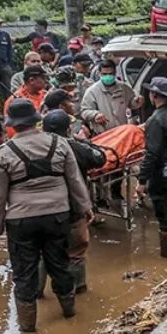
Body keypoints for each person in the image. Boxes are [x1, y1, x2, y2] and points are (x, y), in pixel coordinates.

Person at [0, 99, 93, 332]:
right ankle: (69, 312)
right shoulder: (59, 143)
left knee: (24, 271)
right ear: (36, 121)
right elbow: (75, 181)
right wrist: (85, 208)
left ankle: (27, 327)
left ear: (13, 125)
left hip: (21, 220)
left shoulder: (4, 153)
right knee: (60, 263)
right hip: (57, 215)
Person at [41, 109, 104, 295]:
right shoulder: (74, 147)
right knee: (76, 252)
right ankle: (78, 291)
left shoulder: (31, 147)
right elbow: (100, 158)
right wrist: (83, 140)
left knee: (43, 252)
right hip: (73, 208)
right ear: (68, 129)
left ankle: (37, 294)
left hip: (42, 210)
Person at [135, 78, 167, 258]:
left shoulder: (156, 120)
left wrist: (141, 180)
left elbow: (151, 154)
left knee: (163, 214)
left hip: (162, 173)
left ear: (154, 95)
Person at [80, 59, 140, 136]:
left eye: (110, 74)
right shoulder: (92, 91)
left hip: (121, 132)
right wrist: (95, 115)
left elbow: (131, 103)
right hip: (103, 134)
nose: (108, 76)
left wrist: (136, 102)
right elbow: (84, 111)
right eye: (104, 74)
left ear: (115, 73)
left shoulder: (124, 88)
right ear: (99, 73)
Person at [5, 66, 49, 138]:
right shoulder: (14, 102)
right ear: (31, 80)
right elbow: (12, 131)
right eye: (43, 78)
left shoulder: (46, 95)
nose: (46, 81)